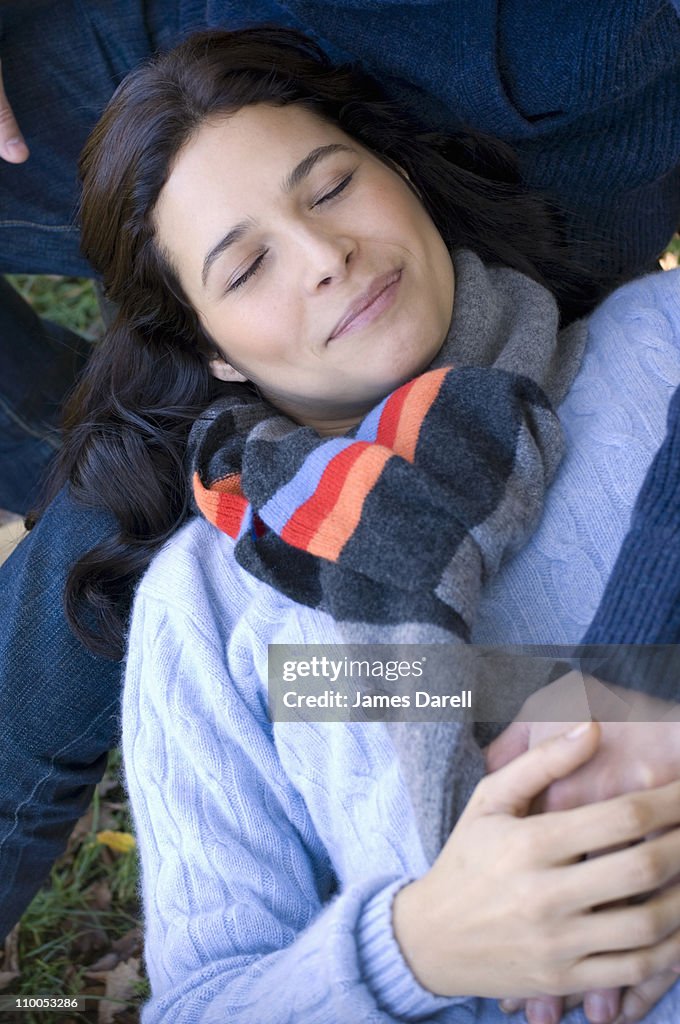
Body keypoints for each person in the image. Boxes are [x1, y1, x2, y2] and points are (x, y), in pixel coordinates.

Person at [0, 4, 679, 1021]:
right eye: (245, 267)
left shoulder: (654, 346)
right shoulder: (207, 607)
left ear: (401, 177)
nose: (323, 254)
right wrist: (413, 949)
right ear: (214, 347)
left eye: (330, 186)